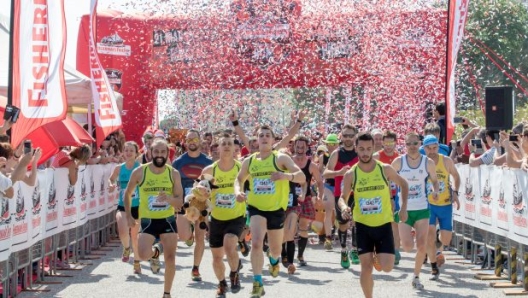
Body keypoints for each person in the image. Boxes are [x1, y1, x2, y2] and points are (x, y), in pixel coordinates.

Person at [234, 125, 305, 298]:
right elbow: (239, 179)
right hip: (256, 208)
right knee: (257, 242)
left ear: (273, 140)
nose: (264, 138)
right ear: (257, 140)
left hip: (276, 210)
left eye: (268, 135)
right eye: (261, 136)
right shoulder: (249, 161)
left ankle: (274, 260)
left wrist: (285, 176)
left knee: (275, 249)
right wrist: (238, 192)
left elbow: (301, 176)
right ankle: (257, 282)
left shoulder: (280, 158)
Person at [338, 131, 409, 298]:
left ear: (373, 148)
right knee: (366, 268)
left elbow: (404, 184)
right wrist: (343, 208)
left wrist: (404, 207)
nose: (365, 153)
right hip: (362, 225)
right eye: (361, 149)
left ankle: (378, 255)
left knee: (388, 267)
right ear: (356, 149)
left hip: (384, 224)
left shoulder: (384, 169)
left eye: (368, 149)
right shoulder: (351, 174)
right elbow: (343, 197)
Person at [124, 139, 183, 298]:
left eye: (162, 152)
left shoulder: (173, 173)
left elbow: (180, 201)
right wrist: (129, 215)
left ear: (167, 153)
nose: (159, 155)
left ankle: (167, 293)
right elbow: (127, 194)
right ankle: (155, 254)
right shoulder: (140, 171)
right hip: (147, 221)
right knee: (143, 254)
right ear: (150, 152)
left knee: (170, 259)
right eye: (156, 152)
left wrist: (169, 199)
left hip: (167, 220)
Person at [391, 132, 439, 290]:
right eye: (408, 144)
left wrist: (435, 190)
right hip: (404, 209)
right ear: (404, 145)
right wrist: (390, 198)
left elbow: (435, 180)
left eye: (415, 143)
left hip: (422, 208)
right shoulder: (398, 162)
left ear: (420, 144)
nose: (412, 147)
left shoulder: (428, 162)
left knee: (421, 245)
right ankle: (410, 236)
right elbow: (387, 180)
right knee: (406, 246)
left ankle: (416, 276)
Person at [201, 133, 245, 298]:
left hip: (236, 216)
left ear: (234, 148)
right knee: (217, 257)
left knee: (229, 245)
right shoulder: (209, 171)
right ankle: (221, 283)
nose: (226, 146)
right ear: (217, 148)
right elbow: (200, 197)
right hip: (217, 219)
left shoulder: (241, 168)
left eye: (229, 143)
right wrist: (203, 219)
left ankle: (234, 274)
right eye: (223, 144)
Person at [172, 129, 213, 281]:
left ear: (200, 141)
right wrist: (176, 200)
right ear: (185, 142)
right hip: (185, 204)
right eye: (189, 140)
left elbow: (213, 186)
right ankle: (188, 237)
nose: (192, 142)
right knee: (182, 236)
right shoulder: (178, 162)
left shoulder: (208, 162)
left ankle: (196, 268)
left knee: (200, 236)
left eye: (194, 139)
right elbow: (173, 184)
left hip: (202, 206)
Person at [422, 135, 460, 280]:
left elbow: (456, 176)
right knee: (429, 235)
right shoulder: (422, 162)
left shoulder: (446, 161)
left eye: (434, 148)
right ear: (424, 149)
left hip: (445, 204)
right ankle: (434, 267)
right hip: (428, 204)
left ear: (438, 147)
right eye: (428, 148)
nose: (432, 151)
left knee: (446, 239)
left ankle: (439, 247)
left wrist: (455, 192)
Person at [323, 124, 360, 268]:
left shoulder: (359, 152)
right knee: (343, 224)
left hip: (357, 193)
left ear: (355, 136)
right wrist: (339, 173)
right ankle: (344, 250)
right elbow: (326, 173)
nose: (348, 138)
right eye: (345, 135)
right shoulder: (337, 153)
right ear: (341, 136)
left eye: (351, 135)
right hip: (341, 195)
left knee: (357, 220)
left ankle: (355, 249)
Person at [108, 141, 142, 274]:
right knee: (122, 230)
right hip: (122, 205)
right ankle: (127, 248)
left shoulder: (141, 168)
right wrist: (111, 185)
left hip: (137, 206)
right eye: (126, 150)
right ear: (123, 152)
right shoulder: (118, 168)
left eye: (131, 151)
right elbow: (111, 179)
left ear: (136, 153)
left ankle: (137, 262)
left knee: (135, 236)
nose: (128, 153)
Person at [291, 135, 324, 267]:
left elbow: (320, 182)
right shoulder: (288, 161)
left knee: (303, 227)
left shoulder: (312, 165)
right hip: (290, 197)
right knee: (291, 228)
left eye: (302, 147)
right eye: (298, 147)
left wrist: (320, 196)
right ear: (294, 147)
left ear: (307, 148)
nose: (300, 149)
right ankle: (288, 254)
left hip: (306, 198)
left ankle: (300, 255)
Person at [372, 130, 402, 265]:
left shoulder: (399, 157)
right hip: (379, 194)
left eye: (391, 142)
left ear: (395, 143)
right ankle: (376, 250)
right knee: (378, 223)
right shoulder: (376, 157)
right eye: (386, 142)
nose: (388, 145)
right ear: (382, 143)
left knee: (394, 223)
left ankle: (395, 250)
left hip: (395, 195)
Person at [319, 134, 340, 247]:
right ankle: (328, 237)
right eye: (328, 144)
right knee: (328, 211)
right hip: (328, 186)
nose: (331, 146)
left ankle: (338, 233)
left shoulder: (341, 155)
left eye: (333, 144)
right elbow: (319, 171)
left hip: (339, 186)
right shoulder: (324, 156)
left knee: (339, 213)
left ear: (337, 144)